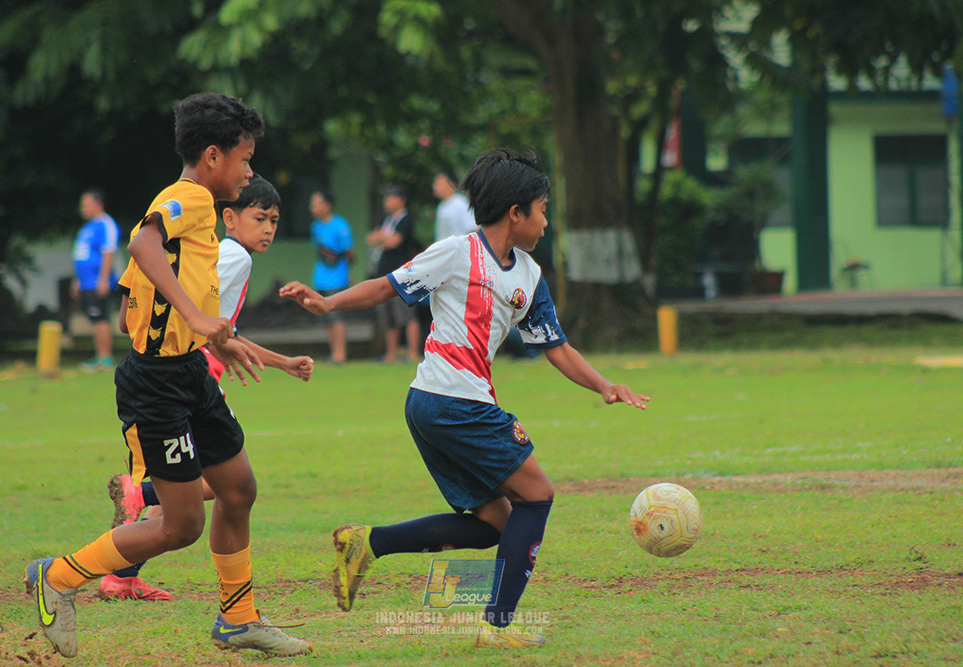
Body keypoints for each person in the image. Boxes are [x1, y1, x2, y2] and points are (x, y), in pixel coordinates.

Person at [280, 148, 649, 650]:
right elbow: (388, 286)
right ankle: (497, 626)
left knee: (495, 523)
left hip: (435, 405)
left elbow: (554, 346)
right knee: (537, 495)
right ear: (515, 213)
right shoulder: (456, 252)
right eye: (541, 209)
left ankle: (368, 543)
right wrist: (328, 302)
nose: (546, 220)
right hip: (454, 403)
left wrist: (605, 385)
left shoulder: (530, 276)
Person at [22, 92, 311, 658]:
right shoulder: (189, 199)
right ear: (212, 156)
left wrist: (209, 337)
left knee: (238, 489)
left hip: (188, 374)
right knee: (179, 526)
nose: (250, 171)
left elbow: (140, 295)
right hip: (157, 385)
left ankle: (238, 618)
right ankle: (54, 576)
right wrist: (199, 317)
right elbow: (141, 241)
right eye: (245, 159)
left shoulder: (200, 212)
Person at [99, 175, 314, 602]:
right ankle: (136, 496)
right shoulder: (233, 257)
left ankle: (120, 576)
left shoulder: (218, 250)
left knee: (194, 491)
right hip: (185, 379)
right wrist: (277, 361)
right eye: (260, 218)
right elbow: (207, 325)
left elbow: (213, 329)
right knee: (215, 485)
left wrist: (280, 362)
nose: (269, 228)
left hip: (169, 375)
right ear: (229, 218)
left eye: (275, 220)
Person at [366, 184, 420, 363]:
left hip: (403, 273)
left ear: (400, 200)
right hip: (383, 273)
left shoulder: (406, 220)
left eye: (390, 198)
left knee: (406, 314)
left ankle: (412, 353)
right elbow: (371, 238)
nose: (386, 202)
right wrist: (383, 238)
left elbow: (395, 242)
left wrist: (382, 238)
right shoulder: (386, 220)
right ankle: (391, 354)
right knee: (388, 316)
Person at [72, 188, 120, 371]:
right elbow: (81, 254)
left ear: (98, 204)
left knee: (101, 319)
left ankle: (105, 357)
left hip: (97, 282)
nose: (83, 208)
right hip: (85, 282)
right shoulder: (87, 227)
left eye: (86, 204)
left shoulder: (105, 225)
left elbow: (108, 253)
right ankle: (99, 355)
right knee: (94, 319)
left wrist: (103, 280)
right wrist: (77, 280)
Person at [309, 190, 354, 364]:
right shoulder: (316, 226)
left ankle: (340, 354)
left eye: (316, 203)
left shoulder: (340, 225)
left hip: (337, 279)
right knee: (326, 317)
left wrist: (347, 273)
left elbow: (350, 252)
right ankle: (333, 352)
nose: (313, 208)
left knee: (338, 318)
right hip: (321, 278)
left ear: (327, 205)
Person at [432, 171, 476, 241]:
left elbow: (472, 228)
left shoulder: (461, 204)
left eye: (440, 184)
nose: (435, 187)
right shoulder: (441, 207)